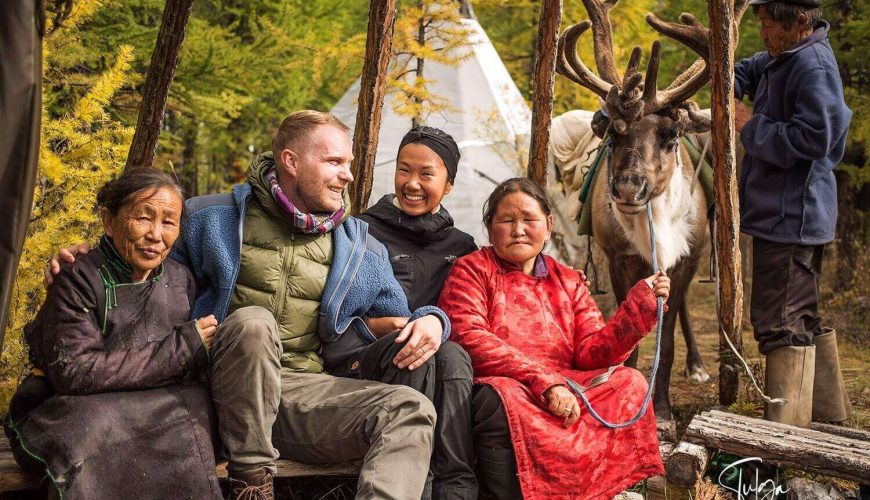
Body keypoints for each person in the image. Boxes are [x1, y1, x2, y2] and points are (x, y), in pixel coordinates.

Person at [45, 111, 449, 500]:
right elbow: (145, 249)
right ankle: (253, 484)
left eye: (348, 164)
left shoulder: (357, 246)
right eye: (334, 162)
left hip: (298, 390)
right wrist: (87, 254)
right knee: (255, 322)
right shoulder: (211, 218)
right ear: (290, 161)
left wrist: (432, 321)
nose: (347, 174)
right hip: (214, 390)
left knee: (410, 410)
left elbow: (401, 312)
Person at [438, 178, 668, 500]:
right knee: (502, 399)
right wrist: (544, 381)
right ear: (490, 228)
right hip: (510, 385)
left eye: (529, 220)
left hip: (568, 383)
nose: (518, 229)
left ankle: (596, 490)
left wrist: (638, 310)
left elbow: (592, 353)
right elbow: (468, 334)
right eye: (506, 220)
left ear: (547, 226)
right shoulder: (472, 270)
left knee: (629, 382)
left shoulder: (569, 280)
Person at [6, 170, 221, 499]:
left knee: (192, 413)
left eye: (169, 222)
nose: (155, 235)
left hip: (152, 407)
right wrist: (183, 349)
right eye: (143, 218)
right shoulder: (77, 276)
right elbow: (74, 371)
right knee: (93, 426)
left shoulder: (180, 278)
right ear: (108, 221)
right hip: (79, 408)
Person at [342, 126, 478, 499]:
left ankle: (455, 489)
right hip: (371, 361)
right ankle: (417, 487)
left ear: (448, 184)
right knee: (416, 349)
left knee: (451, 355)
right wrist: (373, 325)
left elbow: (474, 306)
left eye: (426, 174)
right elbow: (336, 310)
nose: (412, 183)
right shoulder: (362, 231)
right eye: (404, 170)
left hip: (439, 360)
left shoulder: (462, 246)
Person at [735, 0, 852, 427]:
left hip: (791, 219)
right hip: (787, 215)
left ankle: (785, 441)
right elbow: (751, 67)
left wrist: (750, 125)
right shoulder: (785, 54)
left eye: (769, 24)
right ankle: (828, 418)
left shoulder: (812, 67)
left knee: (779, 324)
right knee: (800, 316)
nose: (763, 32)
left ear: (799, 22)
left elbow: (814, 139)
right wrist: (729, 80)